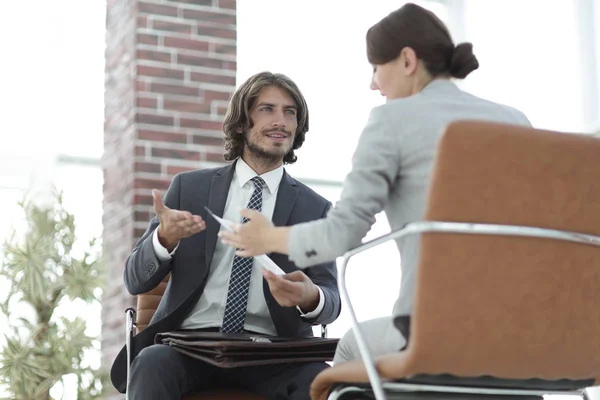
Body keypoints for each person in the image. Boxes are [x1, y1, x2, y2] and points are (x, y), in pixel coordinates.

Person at [219, 3, 531, 364]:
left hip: (435, 330)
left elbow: (342, 233)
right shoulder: (515, 120)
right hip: (529, 331)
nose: (373, 83)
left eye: (376, 68)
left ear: (407, 61)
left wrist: (267, 238)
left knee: (351, 349)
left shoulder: (391, 120)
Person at [109, 71, 342, 399]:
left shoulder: (315, 209)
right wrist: (164, 240)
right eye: (267, 109)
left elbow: (331, 300)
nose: (281, 121)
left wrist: (310, 297)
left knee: (321, 380)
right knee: (151, 363)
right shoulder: (190, 189)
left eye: (290, 112)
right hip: (191, 347)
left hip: (273, 354)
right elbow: (135, 281)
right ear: (240, 124)